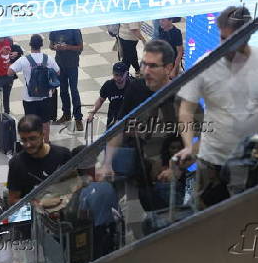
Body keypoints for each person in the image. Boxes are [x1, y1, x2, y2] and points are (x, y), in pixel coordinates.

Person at [175, 6, 258, 210]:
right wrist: (188, 145)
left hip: (251, 161)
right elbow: (186, 110)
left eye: (233, 40)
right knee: (207, 217)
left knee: (248, 214)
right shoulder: (206, 64)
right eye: (222, 38)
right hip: (212, 160)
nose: (225, 46)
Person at [99, 39, 177, 212]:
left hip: (168, 179)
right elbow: (118, 127)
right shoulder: (136, 88)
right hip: (141, 173)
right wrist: (107, 162)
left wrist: (175, 167)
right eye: (144, 65)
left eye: (153, 66)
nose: (146, 71)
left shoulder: (180, 95)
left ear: (168, 68)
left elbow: (200, 139)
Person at [7, 115, 72, 206]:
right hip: (33, 215)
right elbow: (12, 200)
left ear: (43, 135)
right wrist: (39, 204)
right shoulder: (16, 163)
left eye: (32, 138)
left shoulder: (63, 155)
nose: (28, 144)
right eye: (23, 140)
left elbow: (73, 186)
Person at [8, 34, 59, 143]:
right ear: (41, 45)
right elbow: (58, 72)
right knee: (45, 122)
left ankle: (32, 144)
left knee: (30, 123)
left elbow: (10, 72)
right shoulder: (48, 58)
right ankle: (46, 143)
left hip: (29, 98)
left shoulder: (24, 60)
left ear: (30, 45)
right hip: (46, 96)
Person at [72, 145, 120, 260]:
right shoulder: (108, 185)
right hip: (114, 227)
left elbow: (81, 217)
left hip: (98, 232)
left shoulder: (85, 191)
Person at [49, 29, 84, 131]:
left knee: (74, 90)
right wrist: (55, 47)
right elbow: (51, 45)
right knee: (63, 91)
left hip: (72, 64)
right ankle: (66, 114)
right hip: (59, 64)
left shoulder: (74, 30)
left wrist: (67, 47)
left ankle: (78, 118)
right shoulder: (54, 30)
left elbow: (80, 47)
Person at [87, 62, 132, 129]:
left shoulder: (132, 85)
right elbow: (100, 100)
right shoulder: (108, 85)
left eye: (121, 75)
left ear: (126, 73)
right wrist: (92, 112)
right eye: (116, 75)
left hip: (128, 118)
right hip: (113, 117)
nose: (118, 77)